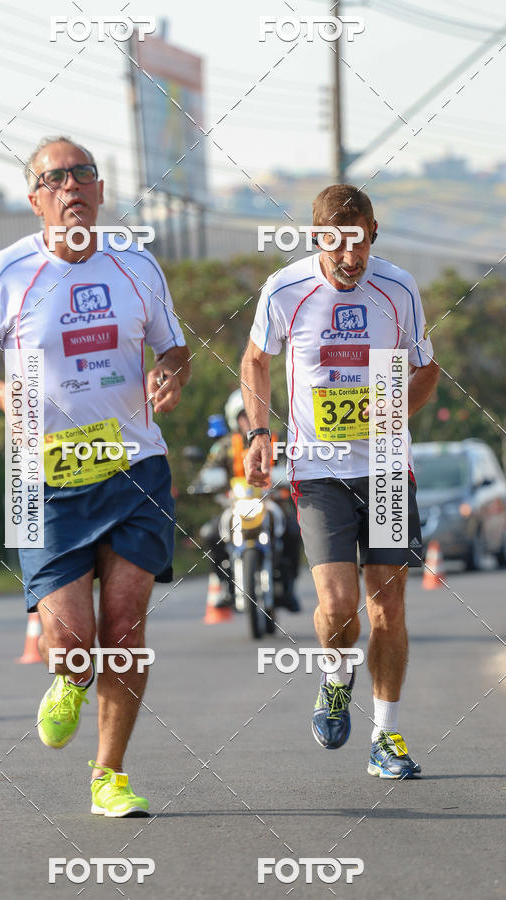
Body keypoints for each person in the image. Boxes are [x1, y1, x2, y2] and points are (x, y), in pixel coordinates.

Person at [0, 136, 190, 815]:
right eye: (55, 178)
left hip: (135, 465)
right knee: (72, 641)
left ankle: (109, 775)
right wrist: (4, 395)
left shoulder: (136, 264)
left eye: (83, 173)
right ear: (36, 200)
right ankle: (70, 675)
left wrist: (171, 373)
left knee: (126, 626)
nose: (71, 186)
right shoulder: (8, 272)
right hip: (44, 477)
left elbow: (175, 348)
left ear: (101, 191)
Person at [241, 184, 440, 778]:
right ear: (316, 239)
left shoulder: (398, 288)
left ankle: (386, 736)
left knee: (388, 609)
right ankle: (334, 677)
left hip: (386, 467)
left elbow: (426, 370)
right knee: (337, 605)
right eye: (336, 245)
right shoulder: (285, 290)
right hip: (319, 471)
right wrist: (259, 432)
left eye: (360, 245)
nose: (350, 259)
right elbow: (255, 359)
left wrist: (395, 407)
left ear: (373, 234)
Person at [199, 390, 301, 612]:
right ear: (234, 419)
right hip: (236, 505)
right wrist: (205, 482)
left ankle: (289, 588)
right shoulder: (225, 445)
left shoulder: (277, 441)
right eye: (244, 415)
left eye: (254, 413)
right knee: (210, 534)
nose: (249, 419)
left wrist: (289, 478)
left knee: (293, 531)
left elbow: (292, 465)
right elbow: (208, 470)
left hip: (272, 503)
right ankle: (226, 586)